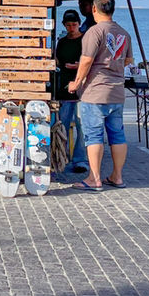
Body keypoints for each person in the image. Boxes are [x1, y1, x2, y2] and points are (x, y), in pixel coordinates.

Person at [68, 0, 133, 191]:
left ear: (94, 10)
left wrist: (76, 82)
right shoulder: (124, 33)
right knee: (117, 136)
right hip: (117, 92)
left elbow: (86, 60)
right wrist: (113, 65)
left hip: (95, 92)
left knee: (94, 135)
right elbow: (128, 60)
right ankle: (117, 176)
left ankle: (94, 179)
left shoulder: (94, 32)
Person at [55, 10, 88, 174]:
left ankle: (80, 160)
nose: (71, 28)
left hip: (83, 90)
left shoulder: (85, 40)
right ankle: (62, 157)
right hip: (65, 90)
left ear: (79, 24)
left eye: (74, 25)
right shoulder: (61, 42)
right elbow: (58, 61)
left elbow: (91, 61)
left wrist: (79, 67)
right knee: (63, 125)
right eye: (68, 25)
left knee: (82, 126)